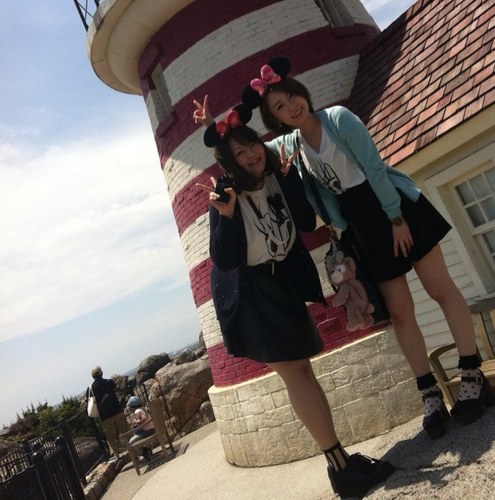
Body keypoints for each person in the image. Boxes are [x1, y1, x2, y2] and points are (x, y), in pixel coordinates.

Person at [208, 55, 495, 439]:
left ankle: (472, 373)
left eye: (291, 96)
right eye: (278, 107)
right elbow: (248, 152)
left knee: (439, 287)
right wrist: (213, 131)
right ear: (275, 119)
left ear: (301, 92)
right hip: (362, 225)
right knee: (400, 311)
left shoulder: (339, 119)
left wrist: (395, 219)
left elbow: (374, 168)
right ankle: (429, 393)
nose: (291, 107)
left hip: (394, 206)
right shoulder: (291, 143)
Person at [193, 102, 395, 498]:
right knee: (297, 375)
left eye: (252, 145)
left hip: (281, 284)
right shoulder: (225, 194)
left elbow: (304, 223)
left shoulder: (275, 176)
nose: (251, 155)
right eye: (240, 153)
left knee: (305, 371)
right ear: (229, 163)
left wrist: (289, 182)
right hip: (253, 295)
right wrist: (227, 216)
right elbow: (225, 259)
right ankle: (340, 469)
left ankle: (341, 462)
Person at [86, 366, 128, 460]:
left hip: (105, 417)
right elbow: (115, 388)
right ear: (102, 373)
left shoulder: (90, 389)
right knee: (126, 432)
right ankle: (134, 452)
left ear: (93, 376)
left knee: (111, 438)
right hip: (117, 411)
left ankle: (118, 457)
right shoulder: (109, 382)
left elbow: (88, 402)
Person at [126, 396, 154, 462]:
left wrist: (136, 422)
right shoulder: (143, 409)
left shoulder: (137, 411)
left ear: (132, 406)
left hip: (147, 431)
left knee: (131, 441)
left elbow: (144, 418)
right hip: (152, 429)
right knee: (136, 437)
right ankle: (147, 450)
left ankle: (144, 452)